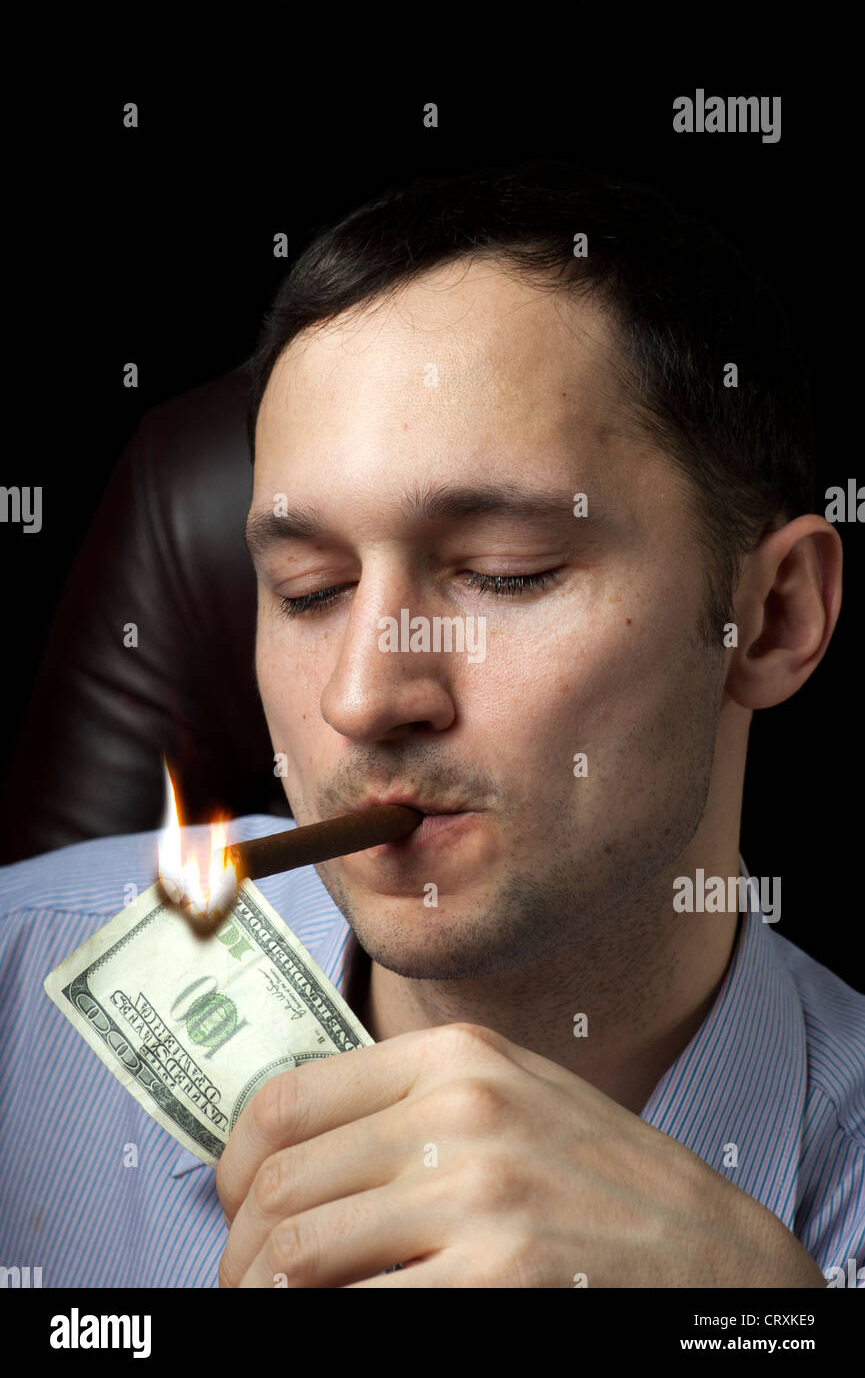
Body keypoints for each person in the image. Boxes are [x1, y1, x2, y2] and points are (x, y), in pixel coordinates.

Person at [1, 163, 862, 1289]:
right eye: (308, 589)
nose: (360, 698)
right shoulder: (17, 985)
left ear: (773, 616)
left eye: (505, 574)